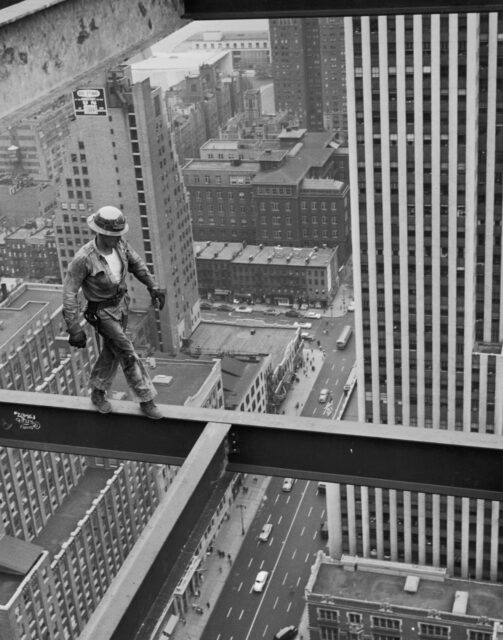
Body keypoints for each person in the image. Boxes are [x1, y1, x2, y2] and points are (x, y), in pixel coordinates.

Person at [62, 205, 166, 419]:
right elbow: (69, 293)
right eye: (112, 235)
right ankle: (146, 399)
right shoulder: (84, 258)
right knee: (127, 352)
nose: (117, 238)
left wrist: (153, 286)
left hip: (121, 306)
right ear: (99, 233)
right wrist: (74, 328)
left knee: (112, 351)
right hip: (101, 313)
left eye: (119, 234)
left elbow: (136, 264)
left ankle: (98, 392)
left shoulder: (121, 245)